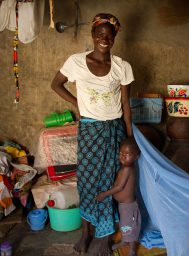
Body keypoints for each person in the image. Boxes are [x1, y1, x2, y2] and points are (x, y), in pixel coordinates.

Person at [51, 13, 134, 256]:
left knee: (110, 183)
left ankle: (105, 236)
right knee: (87, 183)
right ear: (92, 35)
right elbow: (56, 84)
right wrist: (78, 103)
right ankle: (86, 232)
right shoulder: (75, 62)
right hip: (90, 130)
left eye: (109, 35)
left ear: (115, 37)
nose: (104, 39)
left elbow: (126, 104)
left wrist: (130, 137)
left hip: (114, 130)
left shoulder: (122, 67)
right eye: (99, 34)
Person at [96, 137, 141, 256]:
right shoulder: (125, 167)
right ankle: (124, 241)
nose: (122, 156)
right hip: (123, 205)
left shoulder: (127, 169)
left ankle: (131, 249)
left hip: (128, 206)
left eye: (127, 154)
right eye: (121, 153)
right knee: (124, 225)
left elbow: (120, 187)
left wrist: (104, 194)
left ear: (136, 156)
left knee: (129, 227)